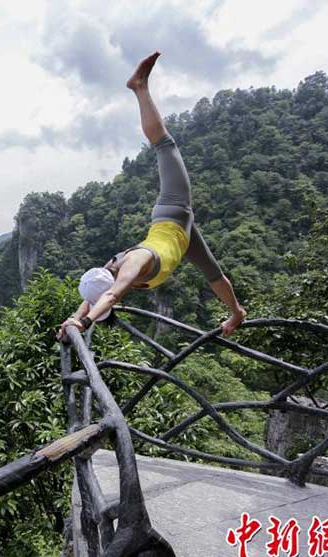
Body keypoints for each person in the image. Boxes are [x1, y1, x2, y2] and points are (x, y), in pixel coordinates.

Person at [57, 51, 246, 341]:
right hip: (180, 238)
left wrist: (84, 323)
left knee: (164, 145)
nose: (109, 300)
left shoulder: (131, 265)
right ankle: (237, 313)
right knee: (213, 274)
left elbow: (110, 295)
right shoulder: (108, 271)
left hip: (173, 211)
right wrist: (72, 318)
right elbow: (96, 295)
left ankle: (139, 87)